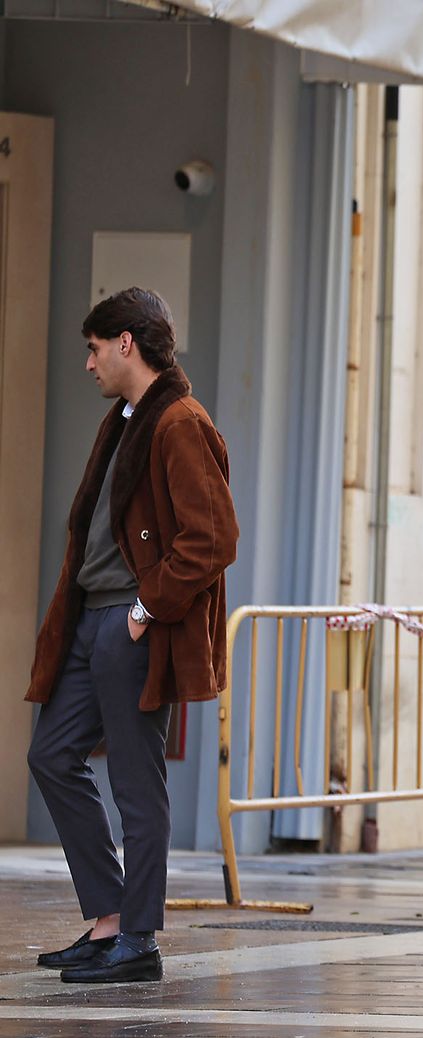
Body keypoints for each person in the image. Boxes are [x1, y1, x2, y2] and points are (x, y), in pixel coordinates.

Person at [27, 287, 239, 984]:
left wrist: (146, 611)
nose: (87, 364)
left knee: (135, 784)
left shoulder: (178, 421)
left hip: (131, 623)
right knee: (53, 754)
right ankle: (110, 916)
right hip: (94, 621)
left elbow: (212, 537)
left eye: (93, 348)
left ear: (126, 343)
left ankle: (138, 937)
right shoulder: (125, 418)